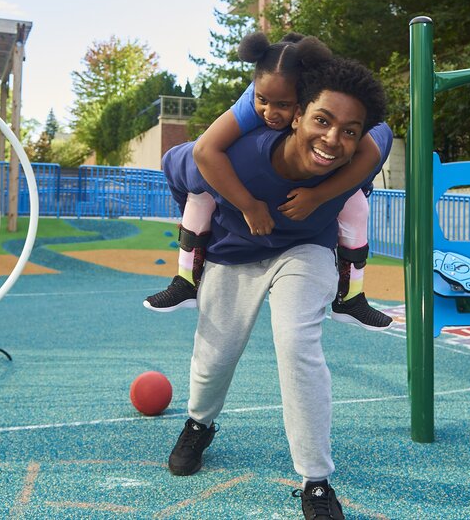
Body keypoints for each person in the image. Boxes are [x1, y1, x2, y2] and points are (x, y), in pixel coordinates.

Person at [159, 53, 391, 520]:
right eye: (322, 120)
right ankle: (199, 423)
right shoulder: (239, 156)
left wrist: (321, 195)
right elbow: (182, 162)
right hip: (236, 250)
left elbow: (376, 140)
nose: (333, 139)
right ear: (297, 114)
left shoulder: (363, 148)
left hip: (306, 251)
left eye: (349, 130)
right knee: (215, 356)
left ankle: (316, 480)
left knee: (296, 343)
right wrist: (215, 227)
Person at [143, 31, 391, 330]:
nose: (271, 113)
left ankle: (350, 296)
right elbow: (205, 150)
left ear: (304, 101)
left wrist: (320, 195)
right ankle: (186, 280)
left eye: (283, 105)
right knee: (203, 189)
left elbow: (369, 154)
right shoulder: (251, 105)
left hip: (315, 183)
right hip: (244, 179)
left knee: (356, 205)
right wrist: (248, 205)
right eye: (263, 100)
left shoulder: (326, 106)